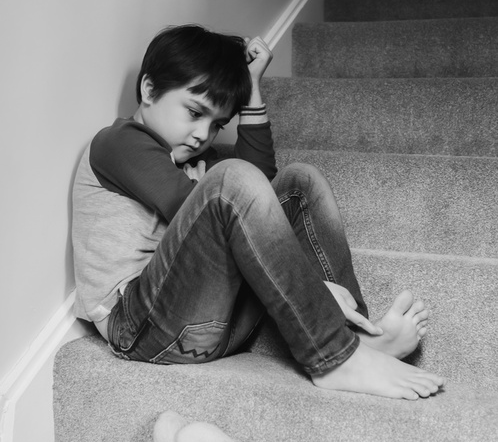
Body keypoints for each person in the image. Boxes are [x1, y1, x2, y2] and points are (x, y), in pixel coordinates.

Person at [72, 24, 445, 400]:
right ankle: (333, 355)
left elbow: (261, 193)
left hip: (212, 321)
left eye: (217, 124)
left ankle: (357, 339)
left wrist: (251, 86)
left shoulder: (198, 161)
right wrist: (314, 289)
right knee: (232, 179)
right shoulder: (117, 143)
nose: (203, 133)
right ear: (149, 90)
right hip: (139, 327)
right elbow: (203, 198)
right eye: (194, 112)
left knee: (300, 183)